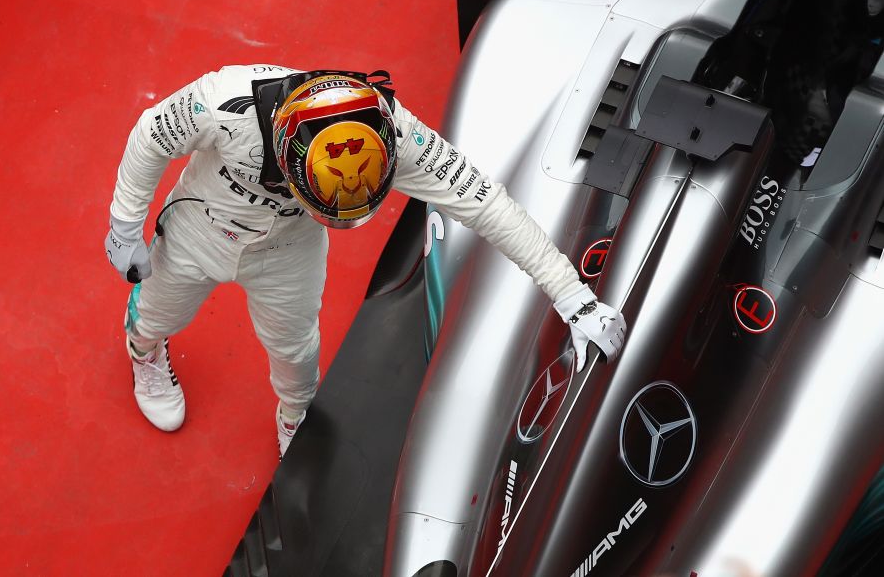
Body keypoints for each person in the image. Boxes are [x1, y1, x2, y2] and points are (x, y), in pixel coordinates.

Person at [104, 65, 627, 457]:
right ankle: (145, 351)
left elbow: (484, 200)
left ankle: (294, 416)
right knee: (157, 315)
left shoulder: (394, 131)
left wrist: (573, 295)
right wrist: (125, 224)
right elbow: (150, 135)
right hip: (200, 225)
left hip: (290, 247)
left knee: (296, 350)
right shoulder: (220, 104)